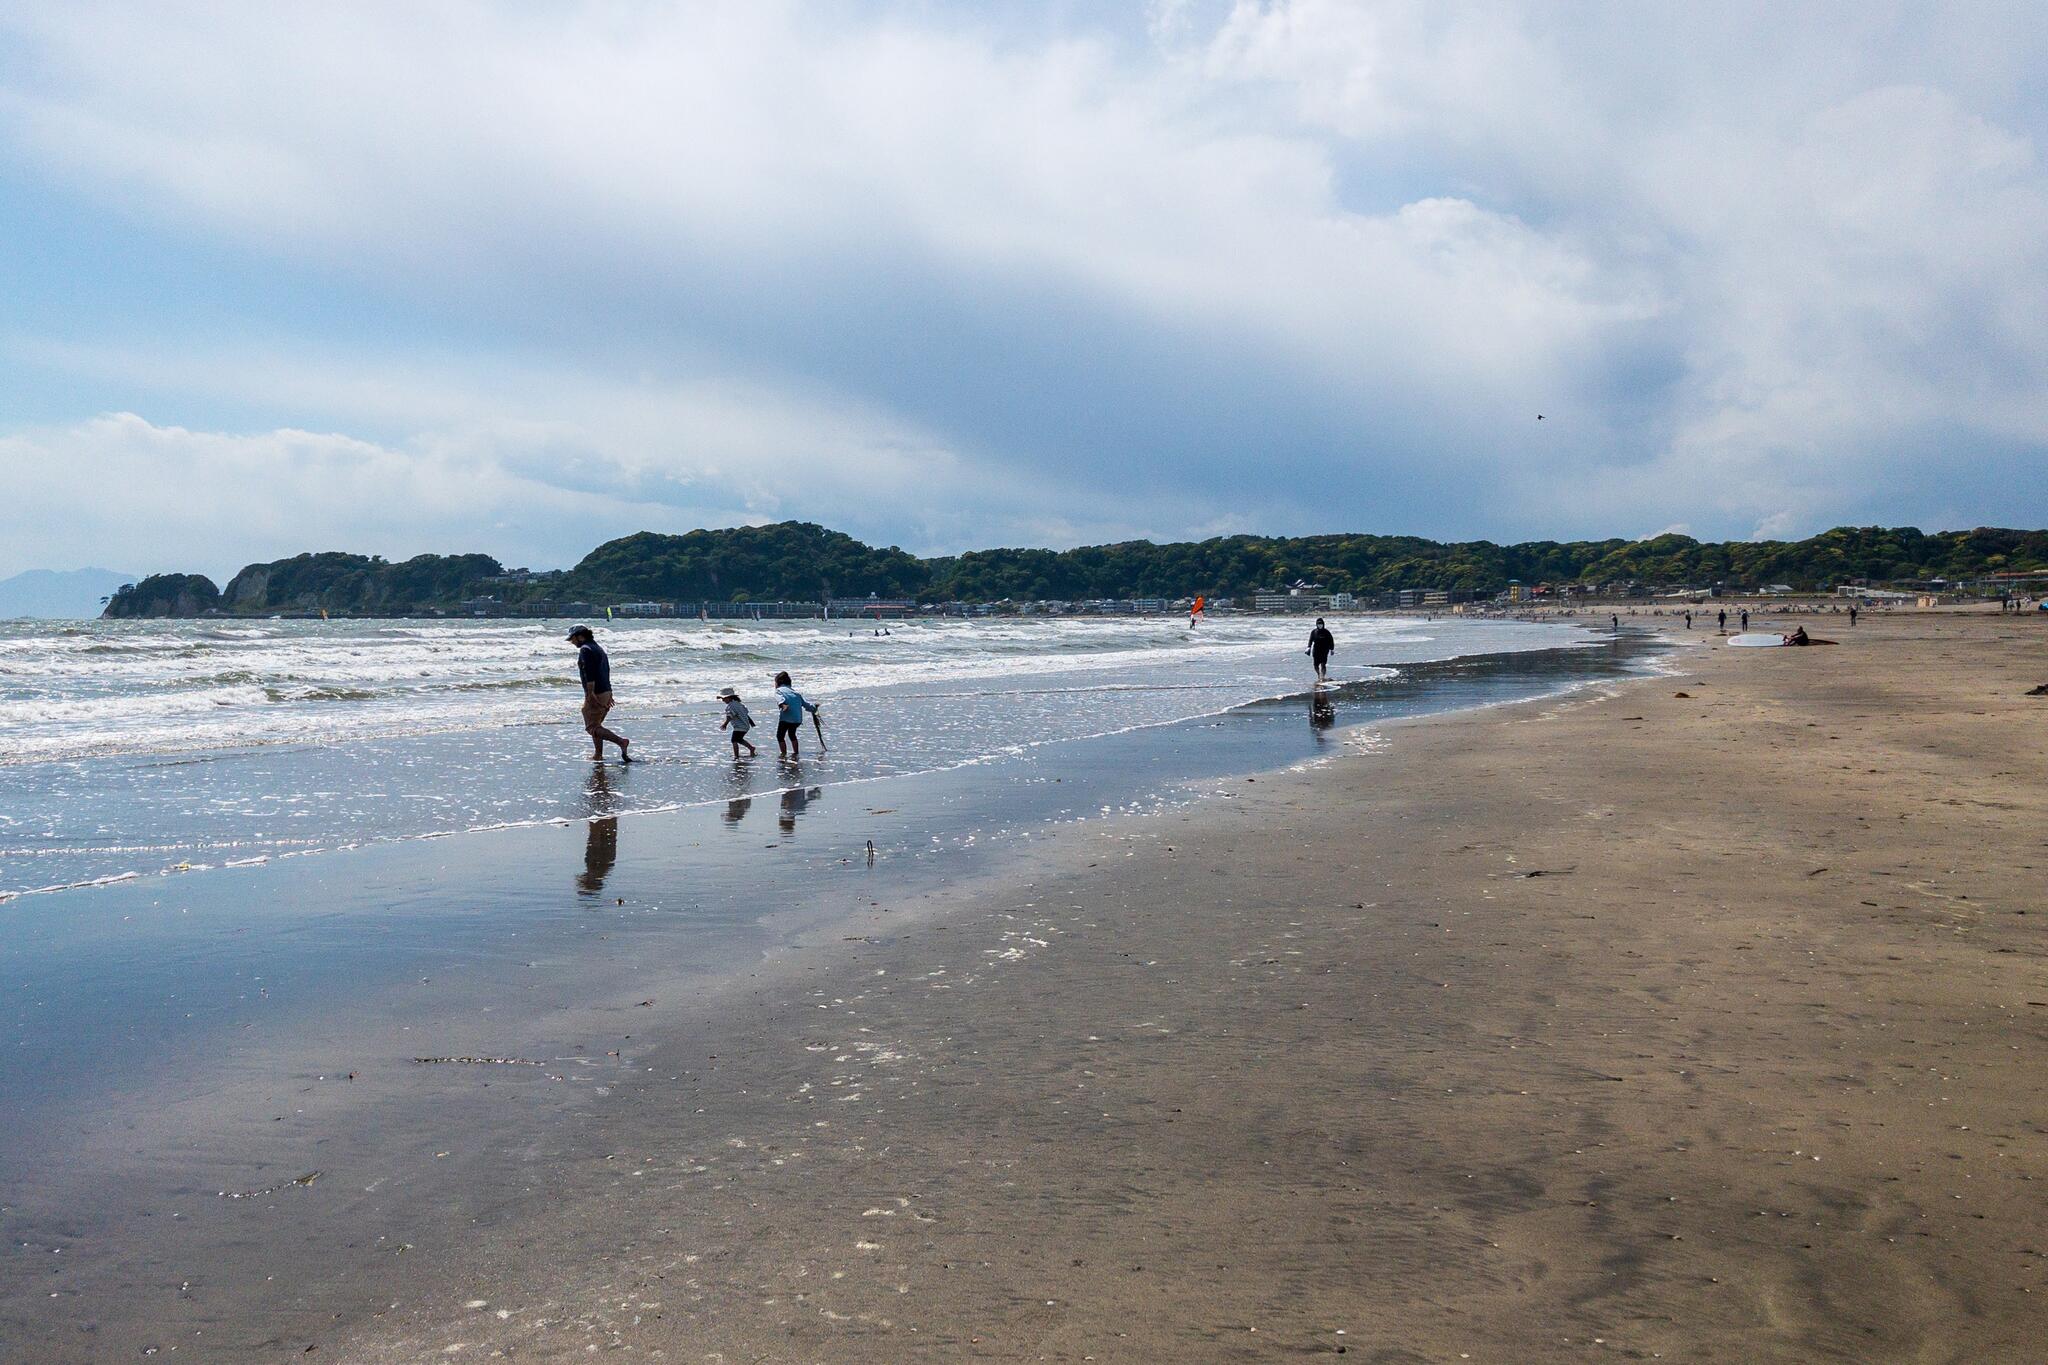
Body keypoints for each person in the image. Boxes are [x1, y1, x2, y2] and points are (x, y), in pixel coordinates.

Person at [567, 625, 629, 761]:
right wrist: (610, 692)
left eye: (572, 639)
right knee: (597, 725)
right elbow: (606, 670)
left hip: (597, 692)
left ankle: (621, 742)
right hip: (605, 691)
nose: (572, 642)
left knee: (591, 727)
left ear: (580, 636)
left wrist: (590, 694)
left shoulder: (585, 650)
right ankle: (598, 754)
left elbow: (589, 673)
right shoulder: (598, 648)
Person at [772, 670, 819, 758]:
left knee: (780, 736)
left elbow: (779, 698)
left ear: (778, 682)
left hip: (786, 716)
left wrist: (782, 704)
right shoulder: (796, 693)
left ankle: (783, 754)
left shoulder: (779, 691)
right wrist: (814, 708)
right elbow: (806, 705)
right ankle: (796, 752)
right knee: (792, 734)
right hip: (797, 719)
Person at [718, 686, 757, 757]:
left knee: (734, 740)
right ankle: (751, 748)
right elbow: (746, 713)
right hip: (745, 726)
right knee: (739, 739)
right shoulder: (739, 704)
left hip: (739, 726)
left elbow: (729, 716)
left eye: (724, 699)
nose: (723, 700)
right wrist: (751, 723)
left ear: (729, 698)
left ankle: (736, 756)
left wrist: (725, 724)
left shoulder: (730, 706)